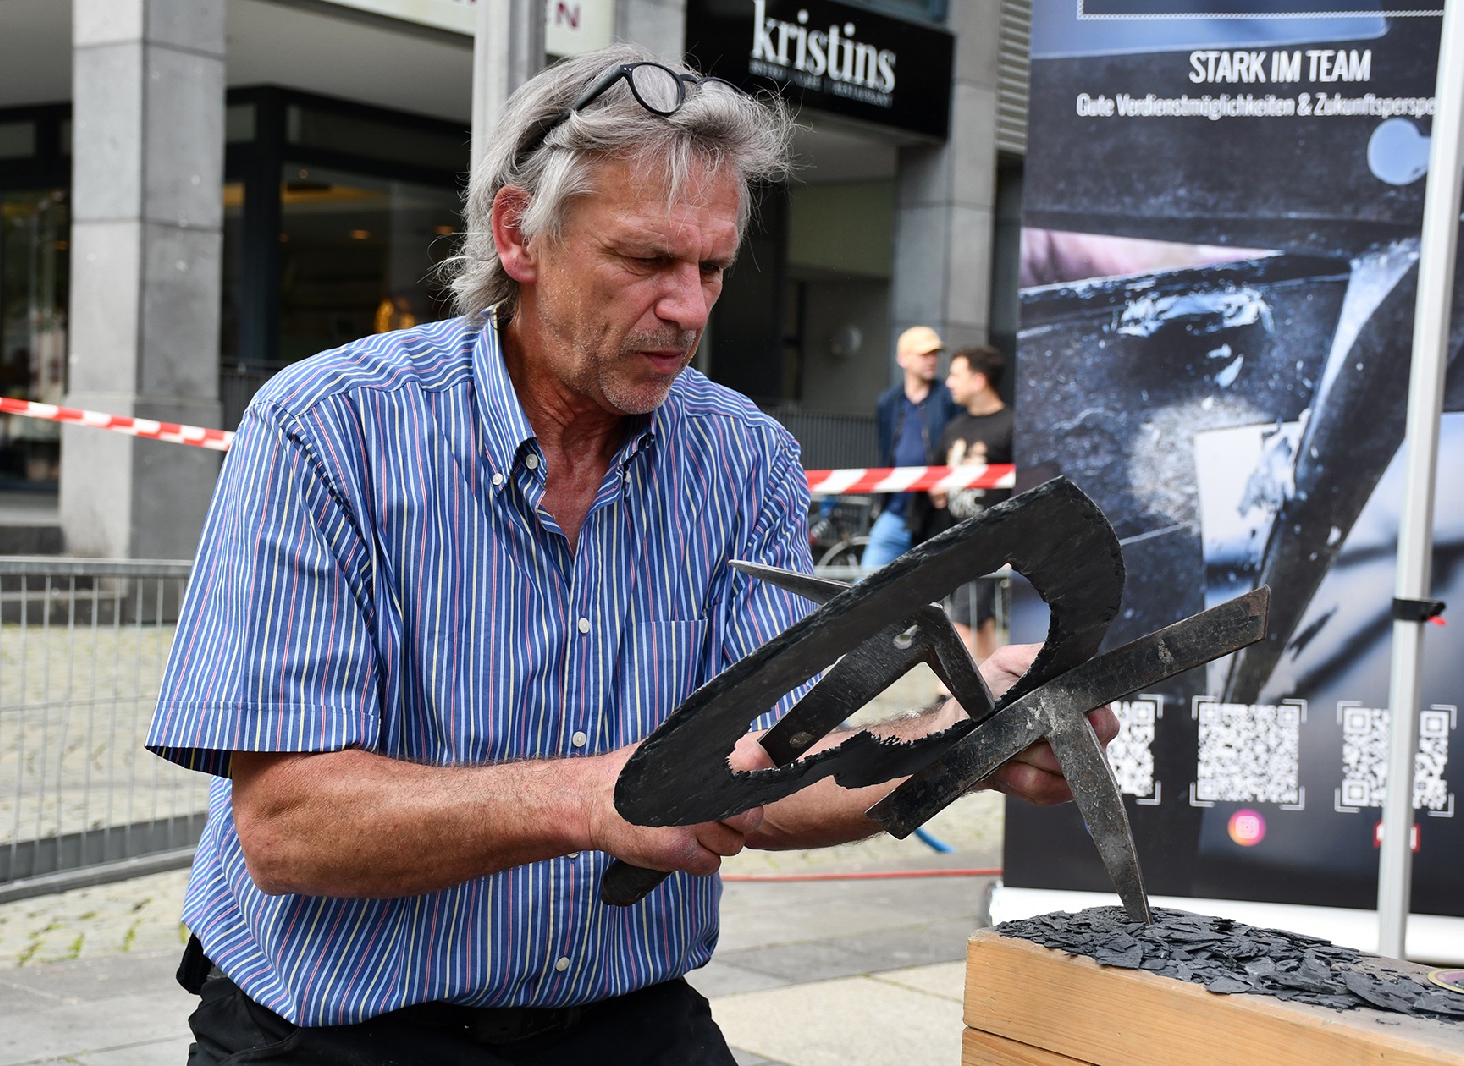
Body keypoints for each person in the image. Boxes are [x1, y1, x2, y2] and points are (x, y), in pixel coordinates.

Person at [146, 44, 1114, 1066]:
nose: (690, 308)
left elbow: (763, 775)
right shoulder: (328, 429)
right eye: (647, 261)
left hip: (624, 1018)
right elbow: (289, 827)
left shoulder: (741, 458)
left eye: (712, 267)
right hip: (334, 1029)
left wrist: (964, 735)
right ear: (519, 234)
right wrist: (589, 800)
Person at [909, 345, 1014, 661]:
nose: (949, 382)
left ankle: (949, 698)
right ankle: (999, 697)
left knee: (962, 623)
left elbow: (1028, 487)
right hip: (957, 543)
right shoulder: (955, 428)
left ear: (979, 380)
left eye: (956, 374)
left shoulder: (1012, 426)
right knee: (980, 625)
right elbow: (935, 476)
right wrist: (937, 490)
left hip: (992, 545)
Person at [863, 326, 959, 570]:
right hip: (896, 509)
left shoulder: (948, 398)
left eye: (935, 354)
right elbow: (887, 451)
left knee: (937, 588)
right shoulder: (888, 402)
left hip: (936, 513)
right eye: (924, 354)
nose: (932, 360)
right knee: (865, 583)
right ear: (903, 359)